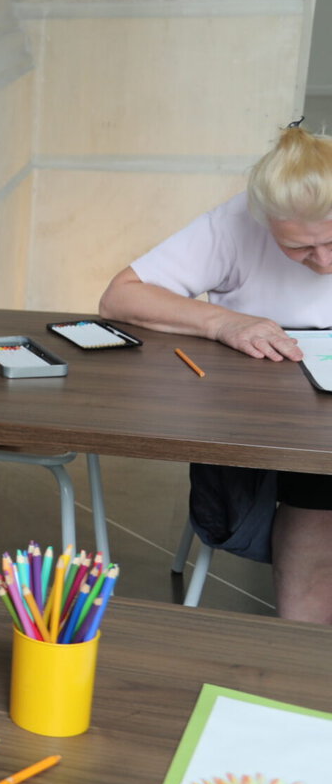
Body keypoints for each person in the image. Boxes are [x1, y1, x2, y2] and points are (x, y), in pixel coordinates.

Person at [99, 123, 332, 623]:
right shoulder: (237, 222)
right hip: (272, 420)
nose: (324, 262)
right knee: (320, 477)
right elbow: (121, 295)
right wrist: (224, 321)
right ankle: (306, 649)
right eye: (299, 248)